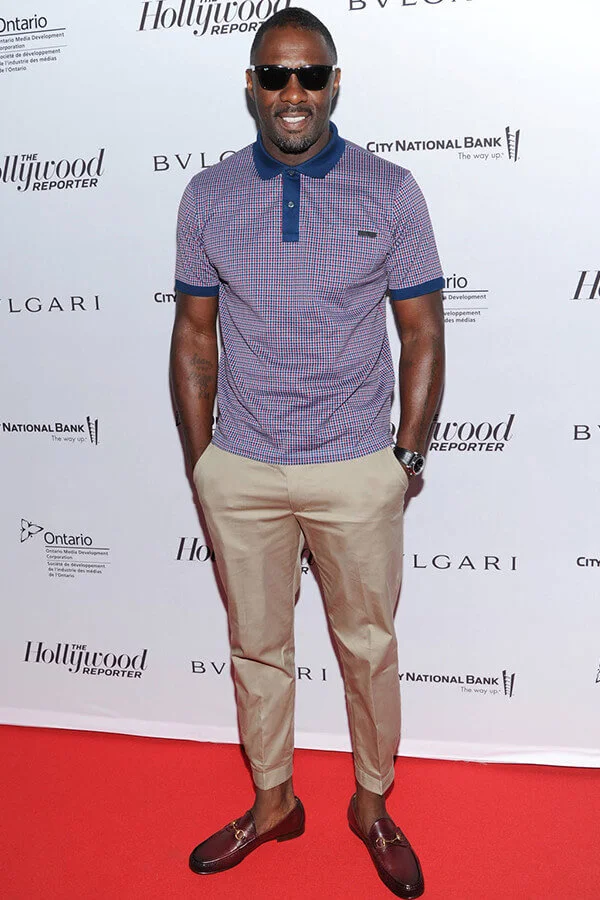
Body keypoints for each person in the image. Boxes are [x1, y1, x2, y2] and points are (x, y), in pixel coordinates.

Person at [170, 8, 444, 898]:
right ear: (252, 85)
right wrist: (203, 465)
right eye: (277, 75)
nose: (295, 92)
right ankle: (273, 801)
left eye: (312, 74)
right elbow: (194, 335)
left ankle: (372, 804)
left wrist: (404, 460)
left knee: (368, 649)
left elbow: (423, 333)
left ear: (334, 84)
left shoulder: (390, 191)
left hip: (356, 463)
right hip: (243, 465)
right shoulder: (208, 196)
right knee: (256, 646)